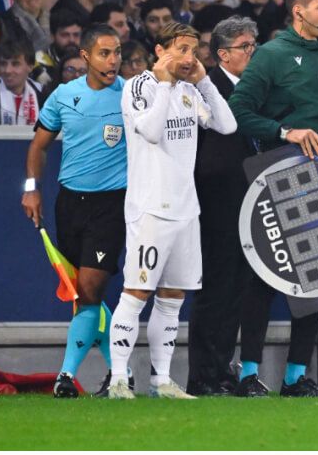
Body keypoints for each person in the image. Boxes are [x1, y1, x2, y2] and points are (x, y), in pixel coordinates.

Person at [228, 0, 318, 398]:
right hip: (281, 174)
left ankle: (295, 378)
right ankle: (248, 374)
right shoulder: (271, 56)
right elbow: (237, 111)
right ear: (298, 11)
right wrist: (285, 132)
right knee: (267, 276)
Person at [106, 21, 237, 399]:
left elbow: (227, 126)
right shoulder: (139, 86)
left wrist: (205, 81)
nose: (189, 57)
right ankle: (118, 379)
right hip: (151, 208)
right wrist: (164, 84)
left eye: (194, 50)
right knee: (136, 293)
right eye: (182, 49)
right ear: (160, 50)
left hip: (186, 209)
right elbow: (149, 132)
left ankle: (161, 380)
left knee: (172, 298)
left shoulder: (189, 90)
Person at [20, 24, 128, 397]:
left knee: (90, 287)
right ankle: (121, 375)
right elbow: (38, 146)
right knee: (82, 292)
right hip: (69, 203)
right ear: (85, 56)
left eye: (117, 52)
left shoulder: (131, 96)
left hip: (112, 203)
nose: (113, 61)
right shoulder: (65, 96)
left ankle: (65, 376)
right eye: (104, 53)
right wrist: (31, 189)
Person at [186, 16, 260, 396]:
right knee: (214, 288)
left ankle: (223, 372)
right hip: (214, 203)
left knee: (237, 290)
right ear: (222, 54)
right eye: (245, 46)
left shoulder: (256, 89)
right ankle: (202, 376)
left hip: (249, 202)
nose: (252, 52)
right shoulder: (205, 89)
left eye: (253, 45)